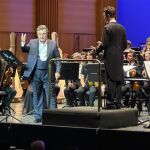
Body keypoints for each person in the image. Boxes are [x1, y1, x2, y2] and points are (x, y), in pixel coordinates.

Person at [21, 25, 61, 123]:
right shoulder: (32, 42)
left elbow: (58, 59)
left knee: (51, 95)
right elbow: (24, 49)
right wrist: (22, 43)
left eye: (43, 34)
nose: (41, 36)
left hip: (49, 72)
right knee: (37, 95)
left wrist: (58, 71)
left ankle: (53, 116)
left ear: (46, 33)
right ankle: (38, 116)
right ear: (37, 34)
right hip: (36, 72)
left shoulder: (53, 44)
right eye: (39, 34)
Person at [94, 6, 127, 109]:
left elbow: (104, 44)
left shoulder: (107, 28)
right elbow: (125, 45)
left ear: (108, 15)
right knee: (118, 79)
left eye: (104, 16)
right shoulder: (122, 28)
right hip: (119, 57)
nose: (104, 18)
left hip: (110, 57)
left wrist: (95, 51)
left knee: (110, 79)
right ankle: (118, 102)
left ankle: (110, 103)